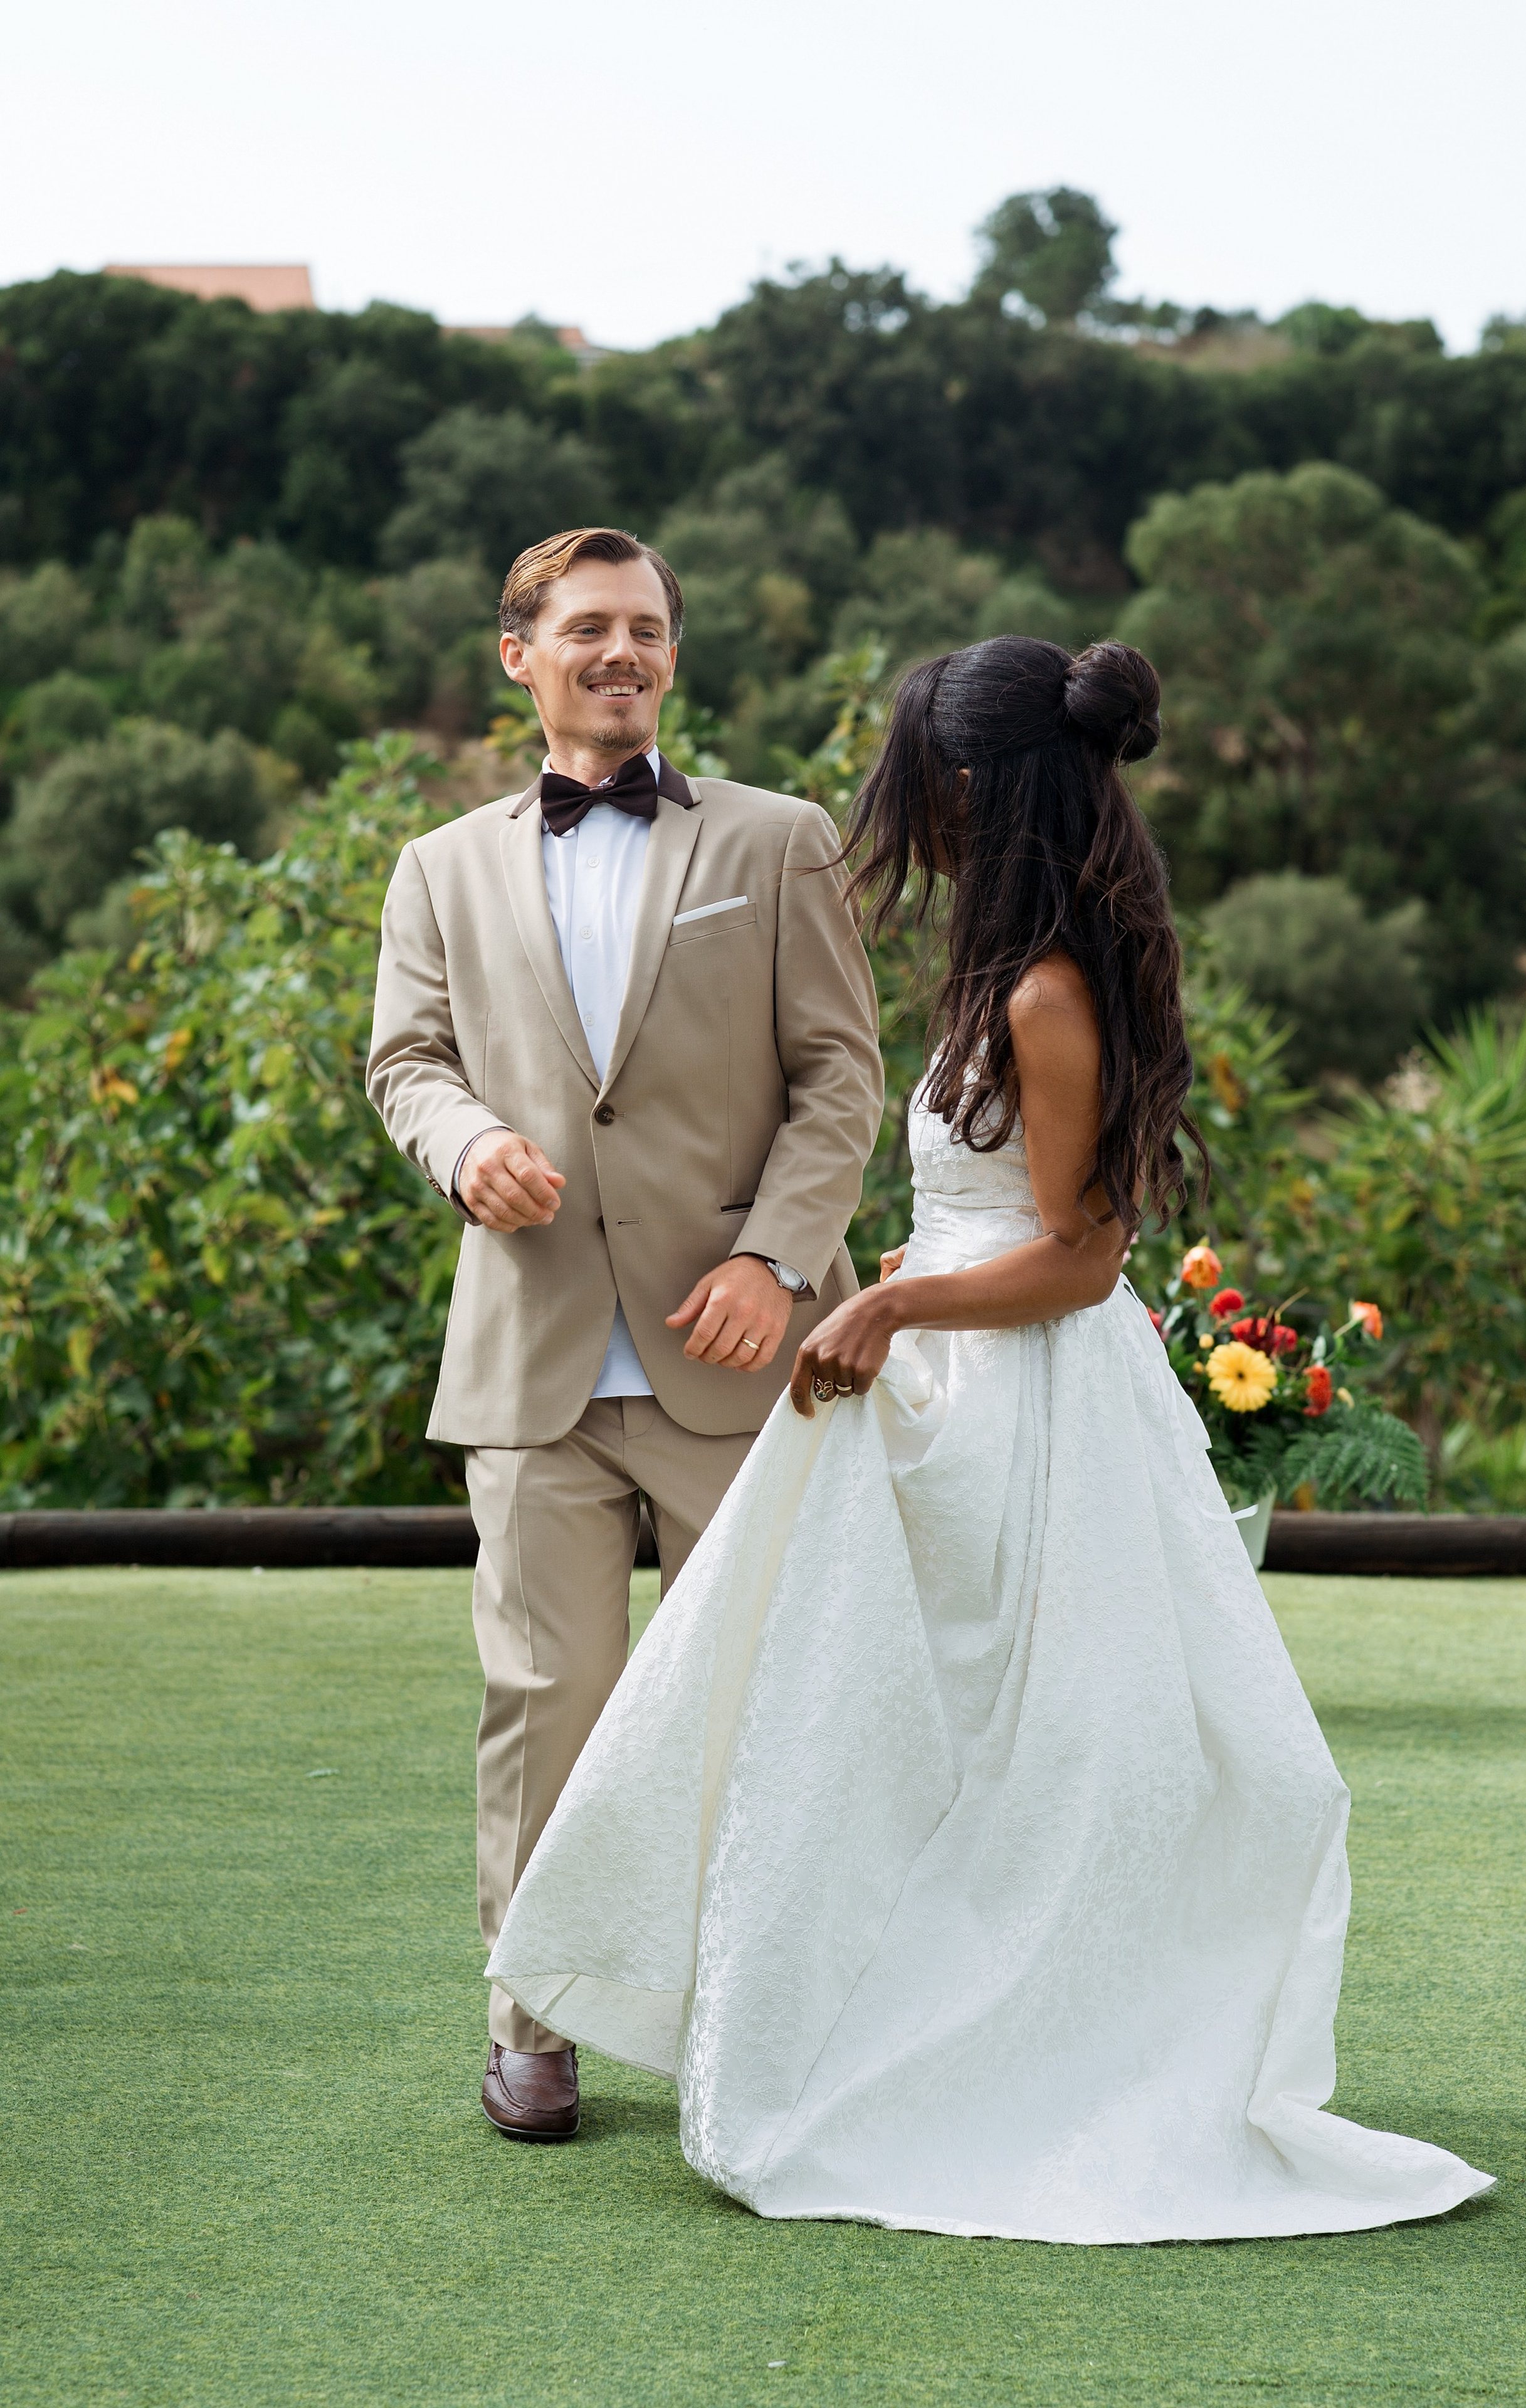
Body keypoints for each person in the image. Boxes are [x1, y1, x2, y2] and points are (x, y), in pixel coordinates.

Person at [487, 634, 1493, 2242]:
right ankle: (847, 2024)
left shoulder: (1043, 989)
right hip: (953, 1380)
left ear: (972, 789)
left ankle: (1002, 2056)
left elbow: (1086, 1257)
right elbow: (995, 1219)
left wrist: (884, 1312)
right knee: (868, 1727)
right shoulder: (1013, 958)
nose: (907, 817)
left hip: (1022, 1407)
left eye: (919, 786)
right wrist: (911, 1276)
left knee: (1017, 1743)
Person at [367, 527, 883, 2141]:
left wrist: (774, 1258)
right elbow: (407, 1062)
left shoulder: (778, 840)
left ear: (670, 655)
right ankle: (533, 2020)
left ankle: (767, 2014)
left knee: (763, 1709)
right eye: (586, 627)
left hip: (739, 1362)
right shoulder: (438, 867)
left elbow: (840, 1079)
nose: (622, 652)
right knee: (547, 1706)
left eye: (645, 628)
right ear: (516, 654)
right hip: (531, 1366)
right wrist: (463, 1147)